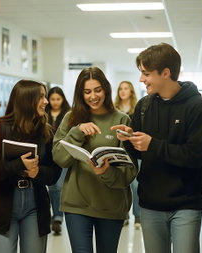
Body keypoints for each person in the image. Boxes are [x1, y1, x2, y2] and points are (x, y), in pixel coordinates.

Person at [111, 43, 202, 253]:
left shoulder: (198, 107)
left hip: (186, 203)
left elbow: (195, 156)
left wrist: (152, 144)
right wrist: (128, 138)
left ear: (166, 73)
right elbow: (138, 153)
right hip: (150, 203)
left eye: (146, 73)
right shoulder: (144, 106)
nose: (141, 79)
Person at [52, 67, 138, 253]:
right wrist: (77, 131)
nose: (93, 96)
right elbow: (59, 157)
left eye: (97, 90)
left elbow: (129, 172)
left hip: (111, 205)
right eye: (87, 91)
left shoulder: (121, 120)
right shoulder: (71, 118)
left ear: (106, 89)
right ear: (80, 94)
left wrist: (106, 171)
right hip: (77, 204)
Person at [0, 80, 62, 253]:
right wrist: (17, 165)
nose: (46, 101)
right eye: (41, 97)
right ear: (27, 99)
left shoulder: (46, 131)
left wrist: (38, 172)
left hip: (35, 204)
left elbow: (55, 172)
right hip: (3, 204)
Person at [114, 81, 140, 228]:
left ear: (131, 91)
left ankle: (138, 216)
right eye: (120, 89)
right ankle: (123, 215)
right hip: (119, 150)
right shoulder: (114, 109)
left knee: (136, 185)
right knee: (122, 184)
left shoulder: (138, 109)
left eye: (126, 88)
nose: (123, 91)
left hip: (135, 151)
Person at [46, 86, 71, 235]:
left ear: (62, 99)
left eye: (58, 99)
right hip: (48, 153)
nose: (55, 102)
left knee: (58, 187)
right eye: (52, 99)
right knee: (51, 187)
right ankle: (53, 214)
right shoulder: (44, 113)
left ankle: (57, 217)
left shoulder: (68, 114)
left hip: (62, 152)